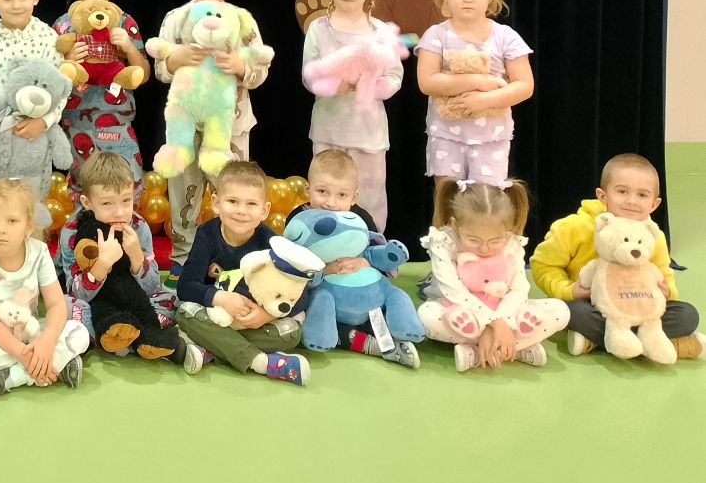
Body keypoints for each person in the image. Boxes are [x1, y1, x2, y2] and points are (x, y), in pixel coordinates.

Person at [153, 0, 271, 278]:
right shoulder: (176, 17)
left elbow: (261, 69)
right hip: (185, 124)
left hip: (231, 123)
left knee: (235, 188)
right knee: (183, 190)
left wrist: (240, 67)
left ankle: (236, 254)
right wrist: (175, 59)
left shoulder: (241, 20)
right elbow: (159, 69)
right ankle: (184, 255)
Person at [530, 153, 705, 360]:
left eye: (642, 195)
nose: (631, 201)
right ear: (602, 195)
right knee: (571, 312)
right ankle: (665, 343)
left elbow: (663, 273)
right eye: (622, 191)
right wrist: (569, 290)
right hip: (591, 306)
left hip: (639, 307)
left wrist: (667, 291)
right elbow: (542, 265)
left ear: (654, 204)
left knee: (688, 315)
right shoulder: (574, 227)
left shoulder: (653, 235)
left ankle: (598, 341)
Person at [416, 0, 534, 225]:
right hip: (446, 135)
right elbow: (427, 81)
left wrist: (484, 101)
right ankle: (444, 252)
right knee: (447, 202)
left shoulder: (505, 36)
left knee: (487, 203)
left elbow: (524, 85)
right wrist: (478, 81)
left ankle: (484, 251)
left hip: (491, 138)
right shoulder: (437, 35)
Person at [56, 151, 199, 370]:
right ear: (87, 202)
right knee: (66, 307)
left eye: (126, 201)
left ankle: (117, 337)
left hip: (132, 300)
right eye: (107, 204)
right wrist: (101, 266)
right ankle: (138, 338)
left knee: (173, 300)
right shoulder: (72, 231)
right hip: (94, 304)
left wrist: (136, 257)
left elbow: (151, 288)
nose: (119, 212)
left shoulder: (139, 227)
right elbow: (74, 292)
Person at [174, 161, 312, 385]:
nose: (241, 211)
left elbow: (301, 295)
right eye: (232, 201)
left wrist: (266, 315)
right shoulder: (207, 234)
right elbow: (186, 286)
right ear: (216, 203)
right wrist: (220, 298)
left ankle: (211, 349)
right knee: (184, 313)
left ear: (264, 210)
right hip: (216, 315)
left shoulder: (271, 242)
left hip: (255, 322)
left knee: (290, 333)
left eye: (251, 204)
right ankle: (262, 363)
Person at [0, 177, 90, 408]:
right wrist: (22, 353)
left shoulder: (38, 252)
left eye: (12, 221)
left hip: (31, 331)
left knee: (79, 333)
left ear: (28, 226)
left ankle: (8, 378)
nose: (1, 229)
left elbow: (56, 305)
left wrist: (46, 342)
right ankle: (53, 367)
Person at [300, 0, 403, 231]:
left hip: (368, 134)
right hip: (328, 131)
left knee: (369, 197)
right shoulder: (319, 29)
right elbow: (309, 75)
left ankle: (371, 246)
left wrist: (367, 86)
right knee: (326, 194)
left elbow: (395, 77)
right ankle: (325, 245)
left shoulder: (381, 32)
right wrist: (335, 85)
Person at [285, 147, 418, 368]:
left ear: (354, 197)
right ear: (308, 189)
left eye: (341, 195)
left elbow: (380, 257)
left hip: (359, 296)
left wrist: (365, 262)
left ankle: (393, 337)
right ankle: (371, 345)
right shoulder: (300, 218)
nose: (330, 203)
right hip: (319, 295)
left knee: (378, 308)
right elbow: (288, 262)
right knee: (309, 317)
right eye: (322, 191)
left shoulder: (360, 219)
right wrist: (324, 270)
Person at [420, 180, 569, 371]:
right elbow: (454, 291)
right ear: (456, 226)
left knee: (561, 311)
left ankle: (479, 352)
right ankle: (515, 348)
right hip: (460, 310)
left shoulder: (512, 244)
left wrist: (502, 321)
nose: (484, 248)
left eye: (495, 241)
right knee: (426, 316)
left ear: (507, 230)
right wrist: (493, 323)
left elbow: (518, 290)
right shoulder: (443, 243)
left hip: (505, 311)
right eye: (473, 240)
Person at [52, 0, 151, 195]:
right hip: (76, 121)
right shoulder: (63, 24)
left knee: (127, 181)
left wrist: (128, 48)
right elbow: (49, 78)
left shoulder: (124, 22)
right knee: (84, 185)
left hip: (117, 121)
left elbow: (143, 75)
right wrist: (68, 60)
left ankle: (127, 216)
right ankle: (82, 218)